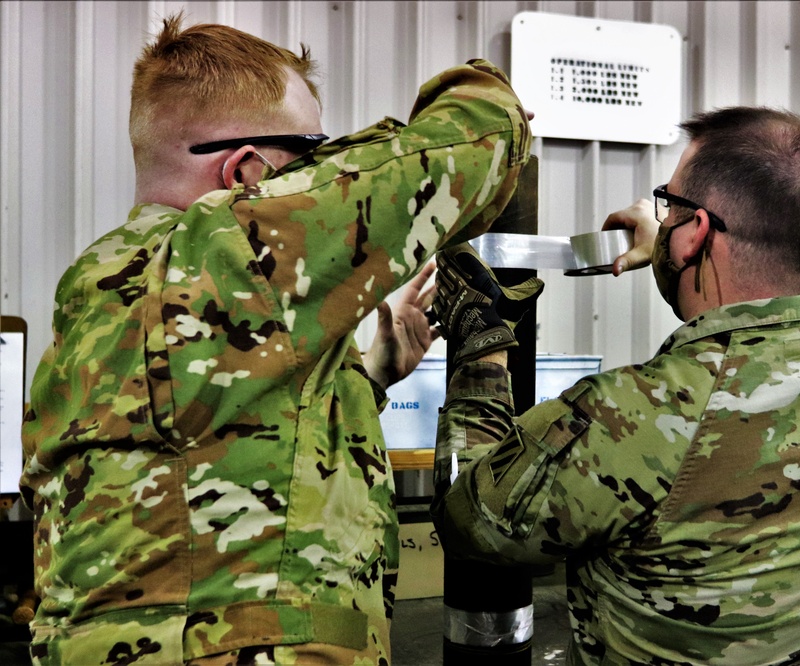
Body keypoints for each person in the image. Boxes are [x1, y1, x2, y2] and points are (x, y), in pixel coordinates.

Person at [20, 14, 531, 666]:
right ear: (247, 174)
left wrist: (364, 377)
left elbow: (204, 451)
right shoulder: (235, 243)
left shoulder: (92, 288)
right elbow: (479, 139)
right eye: (311, 155)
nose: (321, 177)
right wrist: (486, 85)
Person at [431, 106, 800, 665]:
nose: (664, 216)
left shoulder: (626, 416)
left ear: (696, 235)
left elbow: (472, 519)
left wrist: (480, 345)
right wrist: (674, 237)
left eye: (669, 204)